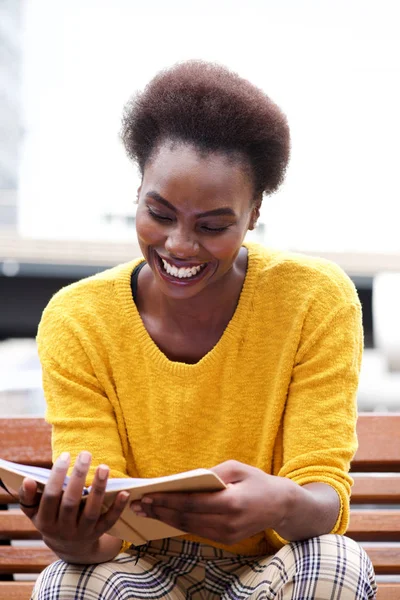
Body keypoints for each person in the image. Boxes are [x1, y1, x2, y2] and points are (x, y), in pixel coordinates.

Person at [21, 60, 376, 599]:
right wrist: (68, 535)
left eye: (212, 226)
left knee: (337, 562)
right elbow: (102, 541)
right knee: (65, 582)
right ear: (138, 191)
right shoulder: (78, 319)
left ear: (253, 213)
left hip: (272, 569)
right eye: (159, 213)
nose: (180, 245)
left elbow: (323, 496)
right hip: (141, 575)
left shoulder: (314, 299)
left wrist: (282, 503)